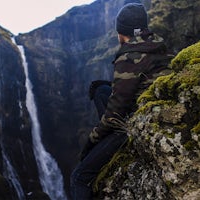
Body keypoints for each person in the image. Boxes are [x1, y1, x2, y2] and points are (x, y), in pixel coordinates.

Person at [70, 2, 174, 199]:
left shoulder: (128, 56)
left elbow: (115, 113)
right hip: (150, 108)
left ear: (121, 32)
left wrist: (91, 142)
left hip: (136, 124)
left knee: (79, 177)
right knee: (101, 90)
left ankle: (114, 141)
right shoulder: (159, 45)